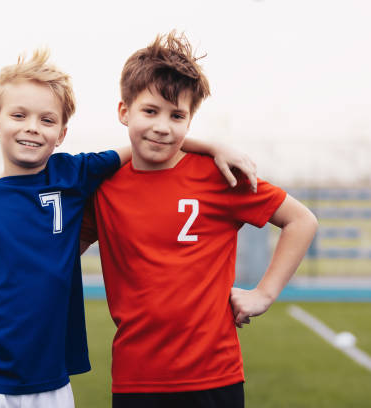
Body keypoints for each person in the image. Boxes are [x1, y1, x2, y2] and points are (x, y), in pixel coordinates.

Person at [0, 48, 257, 408]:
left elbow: (147, 141)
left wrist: (213, 146)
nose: (31, 127)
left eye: (46, 120)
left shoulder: (72, 175)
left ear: (61, 133)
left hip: (53, 381)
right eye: (19, 115)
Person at [78, 32, 318, 408]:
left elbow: (301, 221)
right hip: (136, 378)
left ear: (190, 122)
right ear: (124, 111)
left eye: (177, 116)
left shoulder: (219, 175)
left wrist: (264, 293)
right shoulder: (103, 186)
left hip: (214, 375)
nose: (163, 126)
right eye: (150, 111)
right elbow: (59, 246)